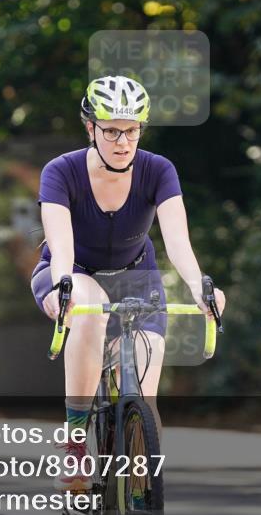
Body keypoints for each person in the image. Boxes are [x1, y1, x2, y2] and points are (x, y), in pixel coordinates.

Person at [32, 75, 226, 491]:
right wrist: (62, 288)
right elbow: (62, 249)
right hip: (73, 273)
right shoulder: (60, 172)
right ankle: (76, 439)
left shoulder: (158, 170)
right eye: (112, 131)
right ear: (91, 129)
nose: (123, 141)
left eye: (133, 130)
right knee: (89, 312)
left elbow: (178, 243)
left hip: (137, 277)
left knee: (144, 383)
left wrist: (200, 287)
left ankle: (136, 489)